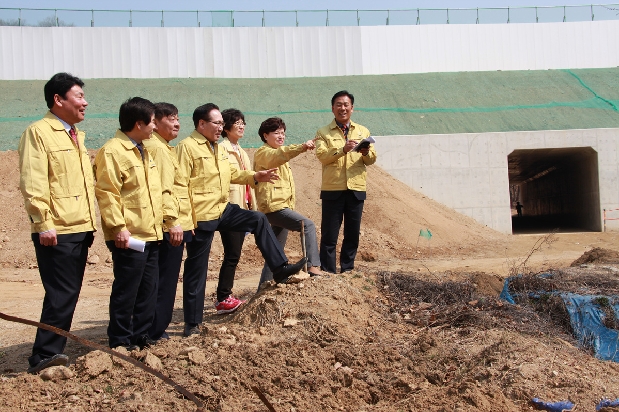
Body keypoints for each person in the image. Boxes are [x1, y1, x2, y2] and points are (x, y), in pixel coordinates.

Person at [175, 103, 307, 336]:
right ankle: (192, 324)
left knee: (257, 219)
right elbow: (179, 186)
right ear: (201, 124)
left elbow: (232, 174)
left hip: (222, 208)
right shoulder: (187, 147)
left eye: (221, 123)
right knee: (197, 269)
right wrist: (184, 222)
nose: (221, 127)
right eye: (217, 123)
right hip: (200, 216)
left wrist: (256, 175)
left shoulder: (217, 147)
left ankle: (280, 268)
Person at [18, 72, 97, 374]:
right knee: (61, 293)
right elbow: (34, 181)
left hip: (79, 227)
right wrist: (43, 222)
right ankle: (44, 356)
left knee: (68, 293)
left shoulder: (75, 136)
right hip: (58, 229)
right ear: (58, 99)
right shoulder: (38, 133)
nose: (85, 102)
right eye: (78, 96)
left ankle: (53, 350)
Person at [94, 97, 163, 351]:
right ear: (138, 123)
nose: (155, 127)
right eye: (152, 122)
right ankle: (120, 339)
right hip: (129, 235)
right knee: (127, 289)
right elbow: (107, 193)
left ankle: (140, 336)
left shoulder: (143, 149)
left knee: (148, 289)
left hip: (151, 233)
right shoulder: (113, 151)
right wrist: (119, 228)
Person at [144, 103, 195, 341]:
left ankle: (153, 328)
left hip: (169, 223)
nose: (177, 123)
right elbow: (165, 190)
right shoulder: (160, 150)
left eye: (178, 118)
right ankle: (155, 330)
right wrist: (173, 222)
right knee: (165, 280)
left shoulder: (162, 147)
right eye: (171, 118)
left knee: (159, 278)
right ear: (156, 121)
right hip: (169, 226)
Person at [254, 117, 322, 287]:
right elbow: (280, 154)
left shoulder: (281, 159)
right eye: (276, 133)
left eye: (283, 133)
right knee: (307, 225)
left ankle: (265, 284)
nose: (281, 136)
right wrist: (302, 147)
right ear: (265, 135)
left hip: (281, 206)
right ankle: (313, 267)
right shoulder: (264, 153)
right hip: (274, 206)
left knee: (275, 249)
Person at [315, 90, 377, 274]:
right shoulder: (323, 132)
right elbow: (322, 156)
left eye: (346, 105)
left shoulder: (362, 131)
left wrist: (365, 152)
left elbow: (372, 159)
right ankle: (328, 271)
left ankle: (348, 269)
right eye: (339, 105)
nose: (343, 108)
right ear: (333, 108)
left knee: (352, 233)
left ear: (352, 108)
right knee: (329, 234)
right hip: (332, 189)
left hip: (356, 188)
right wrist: (343, 149)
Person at [215, 108, 256, 314]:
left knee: (235, 253)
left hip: (243, 207)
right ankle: (223, 296)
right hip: (230, 208)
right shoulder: (222, 149)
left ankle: (225, 294)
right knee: (232, 254)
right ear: (226, 127)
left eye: (243, 122)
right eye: (237, 122)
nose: (241, 126)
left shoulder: (240, 150)